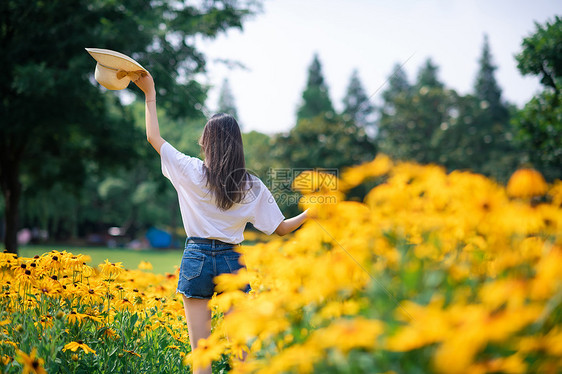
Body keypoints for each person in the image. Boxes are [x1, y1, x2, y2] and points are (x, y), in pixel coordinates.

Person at [134, 73, 308, 374]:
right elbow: (280, 228)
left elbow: (154, 138)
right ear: (238, 144)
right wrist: (311, 214)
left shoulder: (190, 170)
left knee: (201, 355)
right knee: (241, 353)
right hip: (232, 260)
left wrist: (150, 93)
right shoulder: (250, 184)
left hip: (196, 259)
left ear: (206, 142)